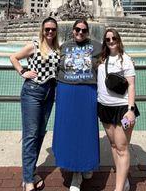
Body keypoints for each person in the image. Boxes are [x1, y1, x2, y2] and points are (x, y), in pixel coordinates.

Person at [10, 17, 60, 191]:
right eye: (47, 29)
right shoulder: (34, 44)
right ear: (42, 30)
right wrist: (22, 71)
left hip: (49, 92)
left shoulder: (57, 48)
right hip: (33, 91)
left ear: (56, 30)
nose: (50, 32)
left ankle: (30, 172)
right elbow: (14, 57)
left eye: (53, 29)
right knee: (31, 135)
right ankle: (28, 179)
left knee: (39, 134)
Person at [52, 19, 102, 191]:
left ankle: (86, 164)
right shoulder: (64, 46)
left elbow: (111, 59)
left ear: (88, 32)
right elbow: (52, 65)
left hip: (87, 92)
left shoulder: (97, 46)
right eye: (77, 30)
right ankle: (76, 173)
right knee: (70, 131)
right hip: (67, 91)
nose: (80, 33)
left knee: (86, 130)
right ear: (73, 31)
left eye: (83, 30)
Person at [97, 28, 138, 191]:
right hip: (105, 108)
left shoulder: (125, 59)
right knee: (114, 145)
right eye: (108, 39)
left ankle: (119, 188)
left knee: (122, 147)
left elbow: (131, 85)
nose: (111, 41)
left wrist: (131, 109)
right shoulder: (102, 58)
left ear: (119, 40)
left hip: (122, 109)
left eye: (114, 38)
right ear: (105, 42)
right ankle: (124, 182)